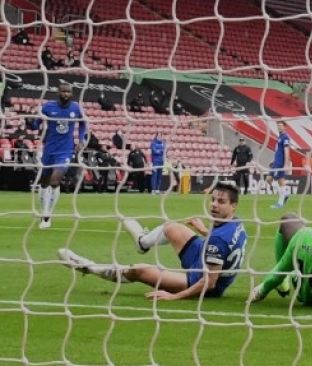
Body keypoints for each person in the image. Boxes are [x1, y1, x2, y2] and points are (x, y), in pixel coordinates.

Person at [58, 182, 247, 300]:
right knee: (171, 227)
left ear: (233, 205)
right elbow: (222, 247)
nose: (214, 205)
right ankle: (142, 242)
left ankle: (87, 267)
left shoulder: (218, 240)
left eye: (220, 202)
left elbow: (210, 282)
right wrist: (204, 231)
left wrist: (174, 297)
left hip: (201, 282)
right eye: (213, 200)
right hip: (204, 258)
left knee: (139, 270)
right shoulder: (235, 221)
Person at [30, 83, 87, 229]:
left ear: (72, 94)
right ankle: (44, 212)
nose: (66, 94)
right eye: (64, 91)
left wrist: (81, 139)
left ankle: (47, 215)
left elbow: (83, 124)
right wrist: (34, 124)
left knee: (55, 181)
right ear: (58, 92)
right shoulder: (48, 107)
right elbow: (35, 124)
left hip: (66, 151)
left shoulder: (76, 108)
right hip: (49, 149)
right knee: (44, 182)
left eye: (68, 92)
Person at [266, 121, 291, 208]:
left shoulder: (285, 137)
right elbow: (278, 150)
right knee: (268, 179)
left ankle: (280, 203)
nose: (279, 127)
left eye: (280, 126)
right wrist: (274, 160)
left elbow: (286, 150)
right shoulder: (280, 137)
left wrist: (285, 164)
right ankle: (285, 194)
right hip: (276, 162)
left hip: (280, 163)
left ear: (285, 127)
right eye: (278, 126)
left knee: (280, 181)